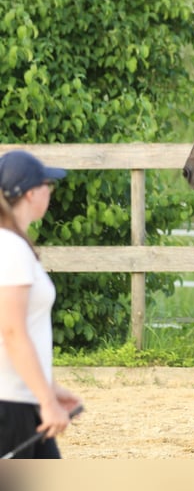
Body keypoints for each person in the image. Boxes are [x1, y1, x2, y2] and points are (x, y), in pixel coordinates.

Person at [0, 150, 83, 459]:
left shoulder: (13, 244)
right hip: (10, 405)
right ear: (31, 193)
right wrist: (46, 401)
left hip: (23, 399)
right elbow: (11, 332)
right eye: (47, 183)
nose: (51, 190)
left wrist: (49, 389)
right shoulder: (10, 248)